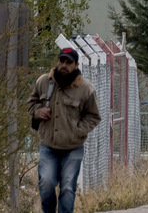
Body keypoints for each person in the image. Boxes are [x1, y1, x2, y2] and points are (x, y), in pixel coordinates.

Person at [28, 47, 102, 213]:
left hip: (72, 149)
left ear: (76, 65)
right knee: (46, 184)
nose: (64, 65)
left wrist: (77, 131)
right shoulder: (43, 82)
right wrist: (39, 112)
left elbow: (94, 116)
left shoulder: (85, 89)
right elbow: (31, 104)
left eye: (69, 62)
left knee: (68, 188)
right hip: (48, 146)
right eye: (62, 61)